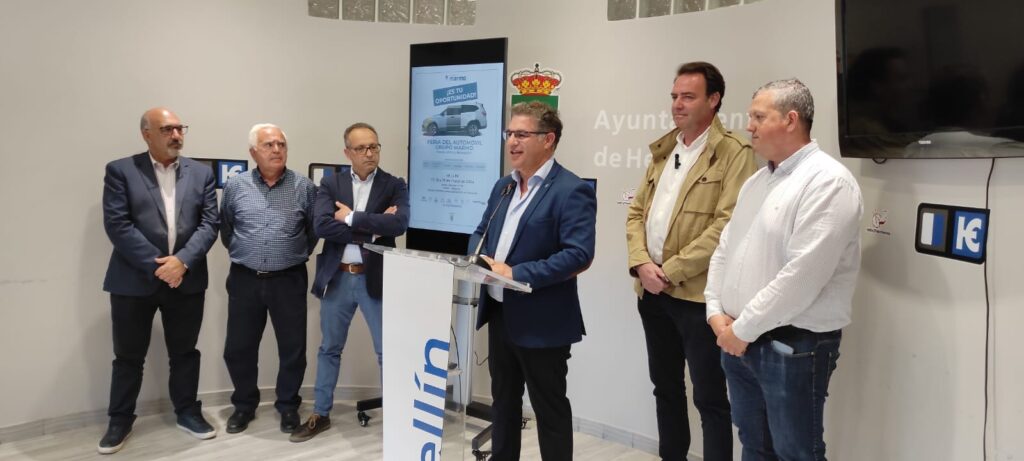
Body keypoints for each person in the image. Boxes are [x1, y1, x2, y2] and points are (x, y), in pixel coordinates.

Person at [706, 79, 863, 461]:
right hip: (737, 338)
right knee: (755, 447)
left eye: (759, 117)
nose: (749, 126)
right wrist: (714, 311)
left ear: (791, 120)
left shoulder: (828, 182)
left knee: (796, 453)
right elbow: (725, 250)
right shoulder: (758, 181)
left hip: (792, 344)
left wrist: (740, 330)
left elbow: (802, 277)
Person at [625, 61, 756, 461]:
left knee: (710, 398)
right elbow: (636, 213)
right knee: (665, 389)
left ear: (713, 100)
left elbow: (727, 225)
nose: (677, 105)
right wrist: (641, 263)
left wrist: (669, 271)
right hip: (653, 293)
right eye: (674, 96)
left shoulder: (733, 152)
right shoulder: (665, 150)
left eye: (687, 96)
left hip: (698, 299)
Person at [470, 101, 597, 460]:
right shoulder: (503, 186)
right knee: (503, 403)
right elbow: (480, 232)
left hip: (543, 322)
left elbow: (579, 254)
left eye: (522, 134)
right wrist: (478, 259)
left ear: (548, 139)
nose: (512, 141)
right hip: (500, 315)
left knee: (549, 409)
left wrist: (516, 273)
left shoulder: (571, 189)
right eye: (510, 133)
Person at [99, 107, 219, 454]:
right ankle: (120, 419)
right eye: (167, 129)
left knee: (185, 353)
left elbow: (210, 223)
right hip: (133, 282)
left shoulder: (201, 173)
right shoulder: (121, 170)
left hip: (186, 279)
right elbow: (118, 225)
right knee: (127, 356)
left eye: (180, 128)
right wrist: (160, 267)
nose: (176, 135)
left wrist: (182, 262)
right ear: (146, 134)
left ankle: (187, 412)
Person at [290, 122, 409, 442]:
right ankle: (320, 413)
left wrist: (352, 218)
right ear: (347, 153)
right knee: (329, 348)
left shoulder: (394, 185)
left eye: (374, 146)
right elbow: (322, 226)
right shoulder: (331, 184)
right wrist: (373, 229)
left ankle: (396, 421)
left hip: (376, 278)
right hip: (339, 276)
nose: (369, 153)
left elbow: (399, 224)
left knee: (387, 352)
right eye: (361, 148)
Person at [220, 124, 317, 434]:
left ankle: (288, 406)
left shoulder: (304, 187)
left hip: (288, 279)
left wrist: (290, 254)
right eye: (268, 145)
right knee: (239, 347)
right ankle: (244, 405)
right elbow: (226, 229)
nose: (276, 150)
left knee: (292, 348)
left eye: (281, 144)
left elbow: (312, 232)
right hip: (245, 279)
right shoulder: (236, 186)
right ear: (253, 152)